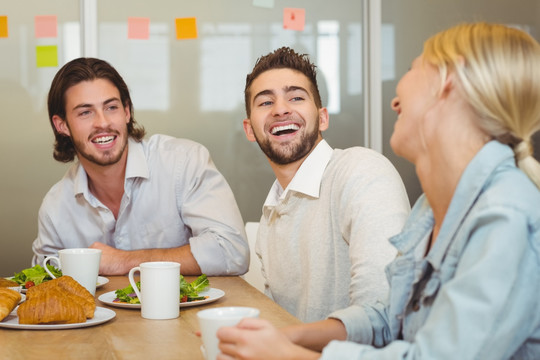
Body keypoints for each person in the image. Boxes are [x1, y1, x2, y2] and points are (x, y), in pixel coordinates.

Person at [216, 22, 540, 359]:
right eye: (265, 102)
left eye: (414, 69)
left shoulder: (506, 214)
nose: (395, 101)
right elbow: (388, 315)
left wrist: (285, 354)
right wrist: (285, 337)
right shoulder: (431, 206)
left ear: (447, 85)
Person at [31, 57, 249, 276]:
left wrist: (124, 261)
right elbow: (44, 282)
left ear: (126, 112)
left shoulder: (184, 163)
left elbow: (232, 251)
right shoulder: (55, 208)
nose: (103, 122)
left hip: (185, 311)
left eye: (111, 107)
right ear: (62, 125)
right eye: (85, 112)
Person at [241, 47, 411, 322]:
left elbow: (383, 313)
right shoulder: (271, 213)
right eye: (265, 102)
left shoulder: (361, 172)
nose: (281, 109)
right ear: (250, 129)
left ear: (322, 118)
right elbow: (282, 321)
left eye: (296, 97)